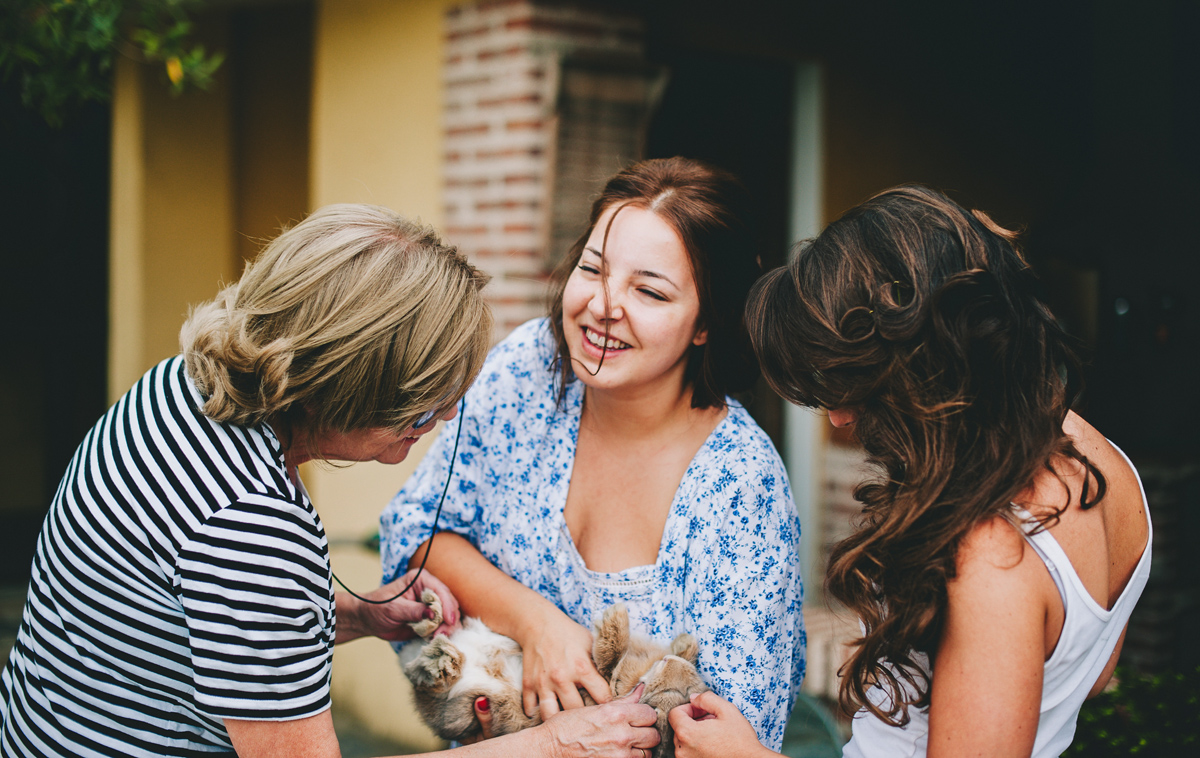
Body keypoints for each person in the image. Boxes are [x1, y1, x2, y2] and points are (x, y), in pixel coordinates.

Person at [0, 204, 660, 758]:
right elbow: (245, 573)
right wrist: (558, 744)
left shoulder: (180, 387)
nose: (448, 416)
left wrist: (357, 614)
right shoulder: (250, 525)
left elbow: (196, 617)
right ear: (347, 390)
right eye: (428, 403)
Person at [668, 185, 1152, 758]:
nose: (841, 417)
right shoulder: (1104, 460)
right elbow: (1084, 674)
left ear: (925, 365)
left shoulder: (989, 558)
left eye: (853, 385)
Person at [380, 157, 806, 750]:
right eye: (593, 269)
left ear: (707, 322)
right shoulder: (529, 371)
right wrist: (536, 626)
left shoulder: (742, 487)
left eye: (650, 291)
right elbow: (416, 538)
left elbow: (728, 739)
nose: (604, 306)